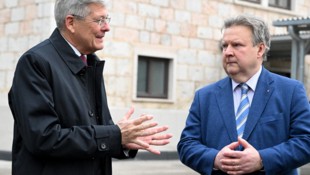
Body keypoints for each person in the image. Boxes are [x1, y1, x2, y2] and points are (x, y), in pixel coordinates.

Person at [8, 0, 172, 175]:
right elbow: (44, 138)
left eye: (107, 19)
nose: (107, 27)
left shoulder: (90, 63)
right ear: (71, 23)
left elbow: (98, 135)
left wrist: (123, 140)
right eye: (99, 20)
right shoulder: (36, 62)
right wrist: (114, 135)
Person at [177, 15, 310, 175]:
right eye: (224, 46)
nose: (228, 52)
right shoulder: (204, 97)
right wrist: (215, 159)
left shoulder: (290, 91)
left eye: (236, 45)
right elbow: (187, 145)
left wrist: (262, 159)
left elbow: (305, 141)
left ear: (260, 49)